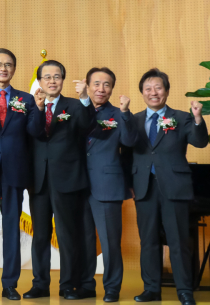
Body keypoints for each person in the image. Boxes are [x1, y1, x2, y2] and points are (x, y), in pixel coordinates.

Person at [123, 69, 207, 305]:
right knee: (148, 241)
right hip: (143, 187)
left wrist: (198, 119)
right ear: (142, 93)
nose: (153, 92)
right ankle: (151, 289)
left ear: (167, 91)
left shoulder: (182, 117)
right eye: (148, 89)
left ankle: (185, 291)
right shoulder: (133, 120)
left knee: (178, 241)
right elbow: (125, 155)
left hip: (175, 187)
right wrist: (129, 184)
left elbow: (200, 142)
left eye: (158, 88)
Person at [0, 49, 44, 301]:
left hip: (15, 171)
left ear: (14, 69)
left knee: (12, 229)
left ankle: (10, 284)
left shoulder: (27, 99)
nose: (3, 68)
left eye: (8, 65)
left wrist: (39, 109)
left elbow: (35, 133)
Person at [25, 60, 96, 300]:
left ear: (63, 80)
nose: (52, 81)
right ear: (39, 81)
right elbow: (33, 132)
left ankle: (68, 284)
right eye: (47, 77)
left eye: (57, 76)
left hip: (67, 179)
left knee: (67, 235)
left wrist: (85, 97)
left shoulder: (75, 105)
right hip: (38, 181)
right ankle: (40, 284)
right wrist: (38, 108)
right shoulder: (32, 105)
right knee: (40, 235)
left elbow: (87, 126)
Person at [76, 68, 134, 303]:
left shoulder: (119, 114)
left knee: (110, 242)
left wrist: (126, 113)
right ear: (88, 85)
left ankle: (112, 287)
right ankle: (86, 285)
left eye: (107, 84)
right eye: (97, 83)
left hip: (108, 184)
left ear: (112, 88)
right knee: (83, 239)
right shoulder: (74, 109)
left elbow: (129, 141)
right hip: (77, 184)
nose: (101, 89)